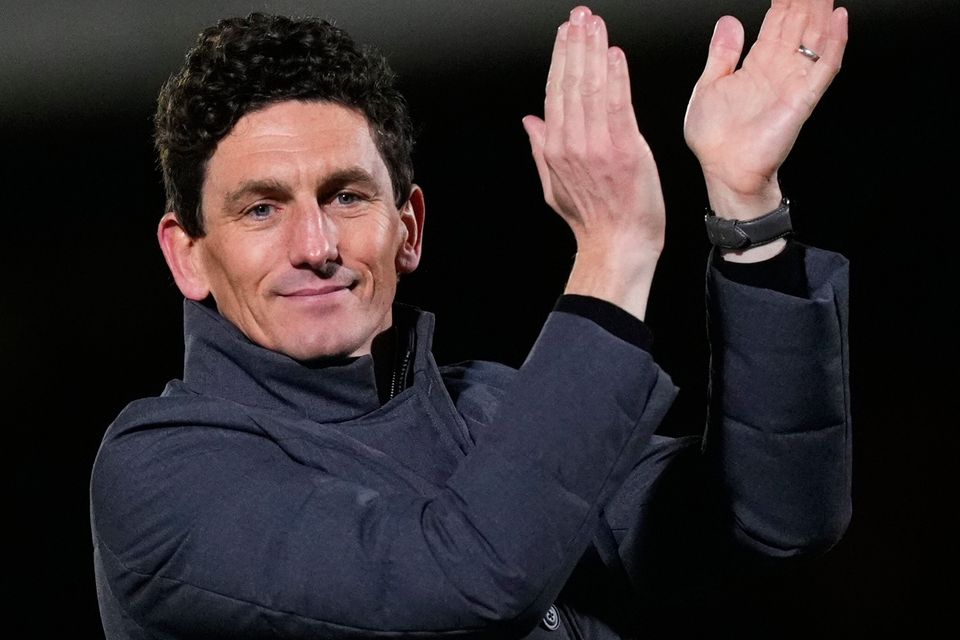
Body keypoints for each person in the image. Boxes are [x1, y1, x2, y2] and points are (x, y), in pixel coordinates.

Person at [90, 1, 851, 637]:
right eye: (261, 209)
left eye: (347, 197)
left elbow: (773, 519)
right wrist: (613, 252)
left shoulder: (486, 409)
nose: (315, 246)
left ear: (408, 229)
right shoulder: (163, 473)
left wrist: (747, 212)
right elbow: (467, 583)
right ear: (186, 256)